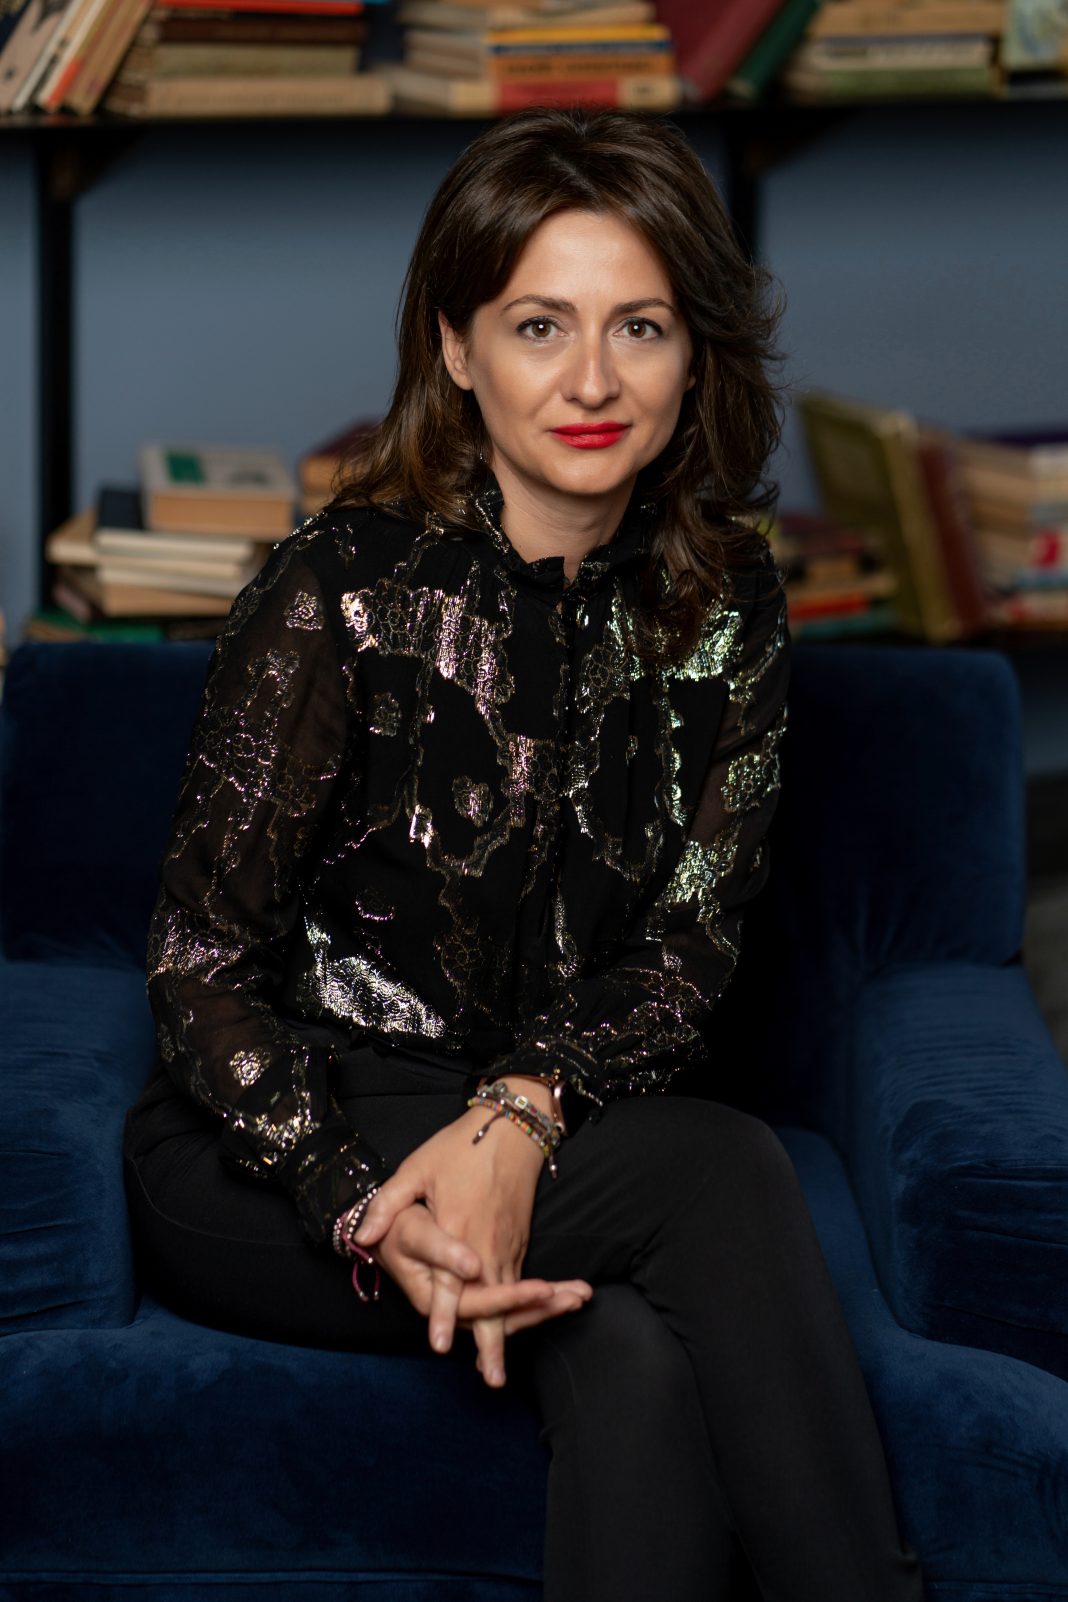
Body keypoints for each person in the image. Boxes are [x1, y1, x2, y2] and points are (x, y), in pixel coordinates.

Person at [122, 106, 927, 1602]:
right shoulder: (337, 588)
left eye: (641, 327)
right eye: (539, 325)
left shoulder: (730, 603)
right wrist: (358, 1196)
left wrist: (523, 1109)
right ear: (456, 345)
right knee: (721, 1168)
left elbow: (688, 949)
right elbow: (198, 967)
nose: (593, 381)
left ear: (696, 358)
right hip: (273, 1152)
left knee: (627, 1354)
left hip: (556, 1139)